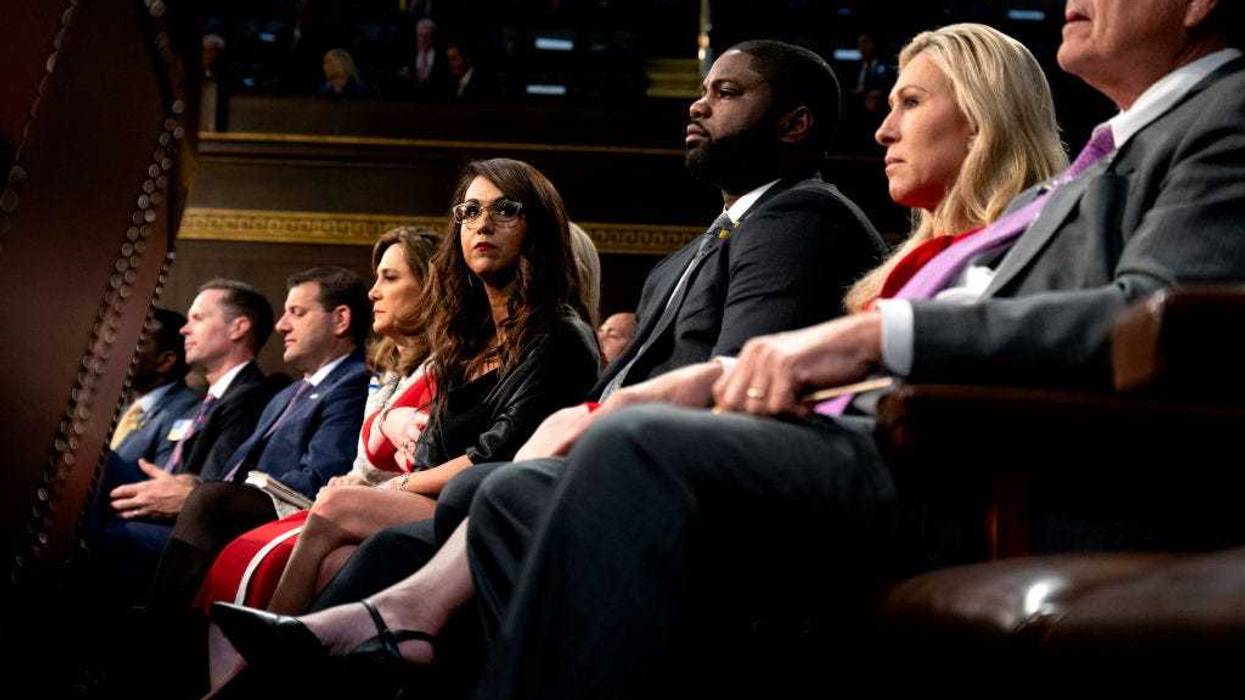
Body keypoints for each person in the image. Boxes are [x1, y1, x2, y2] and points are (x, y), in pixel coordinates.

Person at [456, 4, 1245, 696]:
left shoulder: (1225, 110)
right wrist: (726, 377)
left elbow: (1158, 322)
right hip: (924, 441)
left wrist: (880, 334)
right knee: (517, 500)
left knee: (639, 450)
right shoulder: (1094, 161)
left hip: (1021, 476)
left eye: (910, 102)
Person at [209, 37, 889, 688]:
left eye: (727, 92)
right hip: (610, 461)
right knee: (399, 545)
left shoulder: (800, 216)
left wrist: (584, 426)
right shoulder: (691, 254)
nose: (696, 105)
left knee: (495, 489)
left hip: (685, 483)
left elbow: (740, 374)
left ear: (794, 123)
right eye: (701, 90)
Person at [236, 159, 602, 628]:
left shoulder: (561, 334)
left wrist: (395, 486)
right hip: (436, 500)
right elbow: (432, 450)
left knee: (336, 505)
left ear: (539, 226)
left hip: (496, 508)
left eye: (505, 210)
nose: (483, 224)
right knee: (332, 561)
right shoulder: (464, 337)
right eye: (469, 212)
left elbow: (500, 453)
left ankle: (270, 647)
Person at [146, 267, 372, 616]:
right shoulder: (287, 394)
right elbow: (232, 466)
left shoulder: (354, 383)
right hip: (232, 509)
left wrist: (216, 493)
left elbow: (321, 475)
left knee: (210, 499)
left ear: (340, 319)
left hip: (283, 515)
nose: (282, 325)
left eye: (297, 313)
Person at [90, 280, 277, 595]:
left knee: (99, 465)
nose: (184, 330)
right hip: (175, 510)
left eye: (198, 318)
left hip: (199, 527)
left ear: (238, 328)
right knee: (94, 457)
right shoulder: (215, 395)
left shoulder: (249, 395)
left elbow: (211, 484)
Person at [109, 308, 201, 468]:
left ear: (165, 361)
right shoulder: (116, 403)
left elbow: (160, 485)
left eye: (136, 342)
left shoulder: (187, 412)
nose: (120, 348)